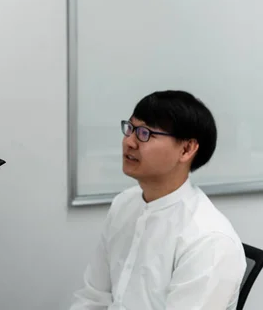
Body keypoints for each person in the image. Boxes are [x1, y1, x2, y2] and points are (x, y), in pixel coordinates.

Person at [69, 90, 246, 310]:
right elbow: (93, 297)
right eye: (130, 129)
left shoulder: (209, 240)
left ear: (187, 149)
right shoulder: (125, 204)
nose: (129, 142)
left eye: (145, 133)